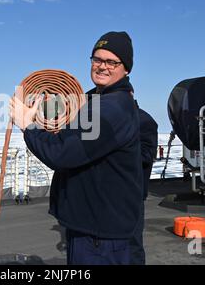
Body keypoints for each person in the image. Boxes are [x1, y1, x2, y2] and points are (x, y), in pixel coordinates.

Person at [9, 31, 143, 265]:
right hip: (94, 227)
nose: (102, 66)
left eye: (112, 62)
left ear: (126, 68)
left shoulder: (112, 110)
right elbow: (67, 118)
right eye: (97, 59)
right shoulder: (98, 102)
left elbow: (62, 154)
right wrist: (42, 104)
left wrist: (27, 125)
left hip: (101, 236)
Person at [129, 103, 158, 265]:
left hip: (132, 192)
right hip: (107, 193)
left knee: (132, 243)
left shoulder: (145, 120)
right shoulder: (105, 118)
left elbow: (146, 155)